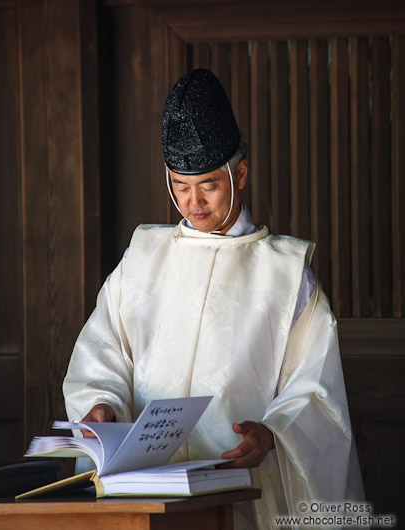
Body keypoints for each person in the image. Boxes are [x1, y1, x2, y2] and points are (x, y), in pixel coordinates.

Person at [63, 69, 365, 529]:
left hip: (240, 491)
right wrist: (102, 403)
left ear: (239, 172)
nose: (193, 203)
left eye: (208, 185)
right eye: (180, 187)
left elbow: (316, 390)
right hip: (149, 493)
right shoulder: (143, 260)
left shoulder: (285, 275)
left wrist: (272, 434)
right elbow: (104, 352)